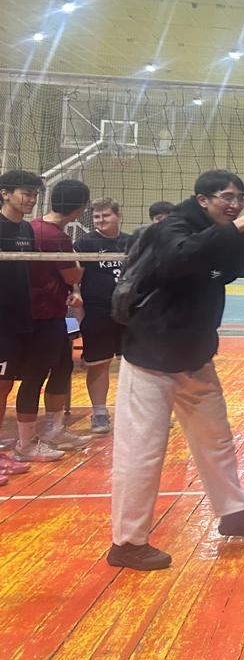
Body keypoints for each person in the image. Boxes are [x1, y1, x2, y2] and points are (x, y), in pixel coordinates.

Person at [107, 170, 244, 571]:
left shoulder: (228, 233)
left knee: (216, 439)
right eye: (227, 197)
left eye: (239, 197)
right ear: (202, 200)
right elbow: (182, 256)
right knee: (142, 450)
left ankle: (233, 514)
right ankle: (127, 542)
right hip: (151, 356)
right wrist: (241, 224)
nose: (235, 204)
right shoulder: (173, 226)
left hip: (195, 356)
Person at [21, 179, 91, 458]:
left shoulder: (34, 226)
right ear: (79, 209)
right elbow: (73, 275)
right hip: (42, 316)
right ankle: (26, 444)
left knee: (63, 367)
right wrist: (81, 263)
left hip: (54, 313)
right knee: (35, 376)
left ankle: (54, 429)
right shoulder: (55, 236)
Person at [0, 169, 44, 477]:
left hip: (19, 320)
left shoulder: (26, 229)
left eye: (34, 194)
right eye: (26, 193)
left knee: (4, 386)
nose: (31, 199)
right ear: (5, 193)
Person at [75, 197, 131, 435]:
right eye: (96, 216)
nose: (100, 220)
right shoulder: (85, 243)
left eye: (105, 215)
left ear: (118, 215)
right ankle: (99, 413)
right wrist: (76, 295)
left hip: (129, 312)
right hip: (98, 311)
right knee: (99, 364)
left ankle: (138, 412)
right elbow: (75, 277)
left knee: (136, 364)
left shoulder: (131, 242)